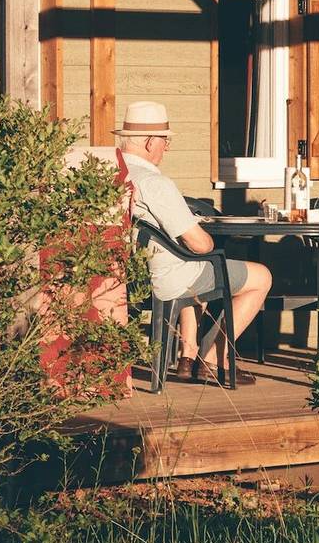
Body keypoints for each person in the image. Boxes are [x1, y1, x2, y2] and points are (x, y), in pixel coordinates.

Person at [116, 101, 272, 387]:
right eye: (165, 141)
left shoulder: (117, 175)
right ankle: (214, 359)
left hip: (134, 278)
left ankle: (188, 358)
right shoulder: (154, 182)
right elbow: (200, 243)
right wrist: (203, 236)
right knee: (261, 276)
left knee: (193, 267)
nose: (167, 148)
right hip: (167, 278)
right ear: (150, 142)